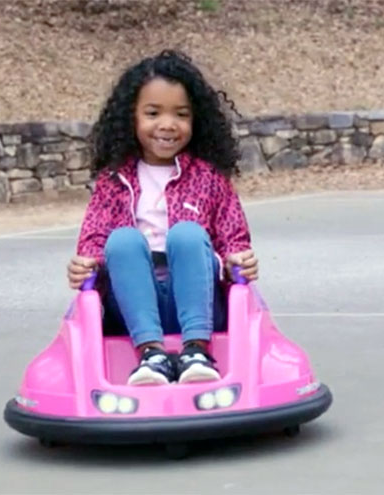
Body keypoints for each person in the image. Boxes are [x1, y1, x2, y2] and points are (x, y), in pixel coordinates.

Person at [67, 50, 259, 385]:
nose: (167, 125)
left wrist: (237, 259)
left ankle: (196, 351)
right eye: (153, 113)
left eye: (180, 115)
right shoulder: (113, 181)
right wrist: (87, 265)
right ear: (132, 118)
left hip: (198, 294)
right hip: (133, 301)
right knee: (123, 240)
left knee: (186, 233)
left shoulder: (210, 178)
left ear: (195, 120)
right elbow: (94, 240)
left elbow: (233, 238)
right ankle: (151, 354)